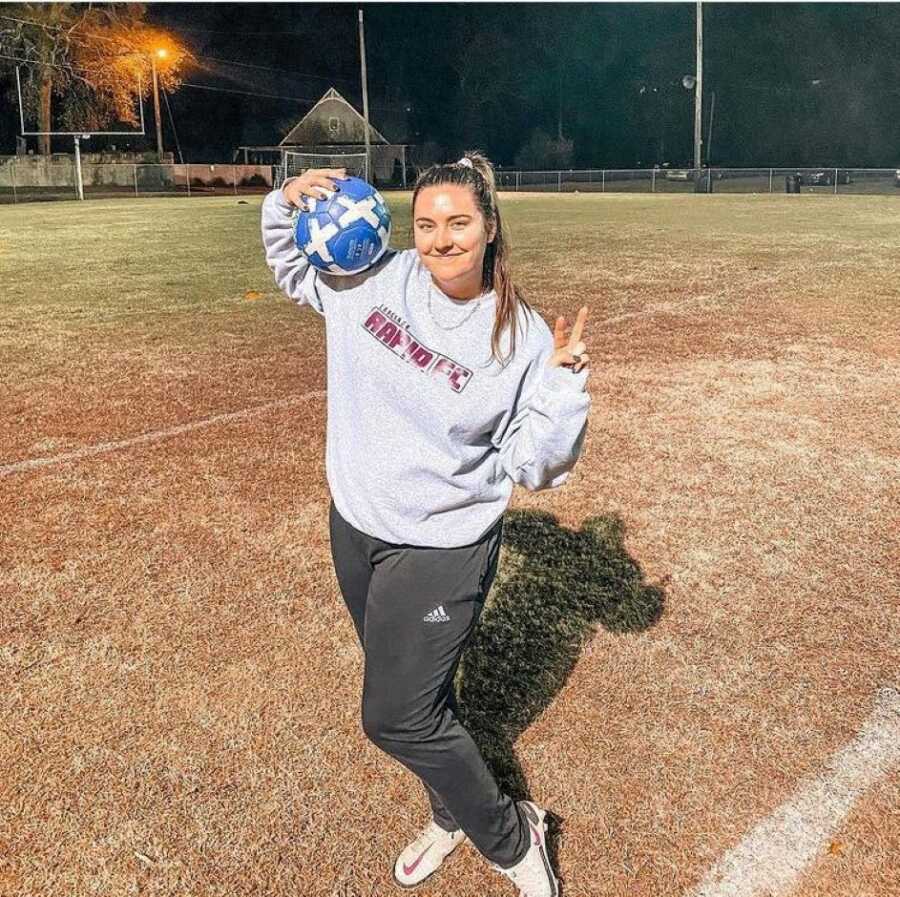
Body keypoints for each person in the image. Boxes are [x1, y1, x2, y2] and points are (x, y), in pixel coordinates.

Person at [261, 152, 591, 897]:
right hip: (356, 524)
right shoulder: (372, 275)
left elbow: (536, 464)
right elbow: (291, 269)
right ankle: (448, 812)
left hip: (442, 546)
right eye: (427, 224)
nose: (441, 240)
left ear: (490, 227)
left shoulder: (522, 339)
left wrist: (564, 385)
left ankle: (513, 835)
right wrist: (282, 204)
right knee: (422, 697)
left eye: (459, 223)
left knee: (395, 715)